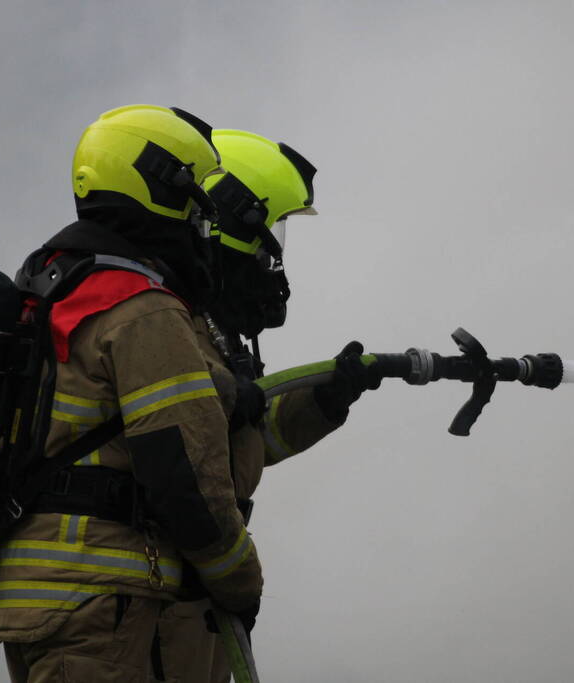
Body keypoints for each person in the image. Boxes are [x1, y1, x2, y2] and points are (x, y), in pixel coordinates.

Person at [0, 104, 266, 682]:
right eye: (193, 205)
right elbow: (185, 472)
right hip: (106, 602)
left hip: (39, 599)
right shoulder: (142, 308)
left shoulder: (53, 289)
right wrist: (239, 580)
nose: (199, 224)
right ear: (159, 190)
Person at [151, 129, 380, 682]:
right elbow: (185, 458)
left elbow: (237, 443)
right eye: (270, 233)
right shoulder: (169, 324)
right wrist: (237, 577)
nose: (273, 255)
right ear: (234, 223)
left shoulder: (210, 331)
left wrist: (322, 402)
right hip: (149, 602)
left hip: (186, 602)